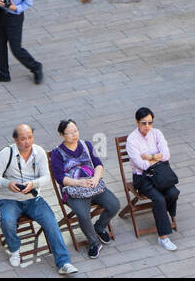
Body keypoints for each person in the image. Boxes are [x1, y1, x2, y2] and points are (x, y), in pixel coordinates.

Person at [0, 123, 78, 274]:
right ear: (15, 140)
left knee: (52, 223)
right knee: (6, 221)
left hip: (33, 198)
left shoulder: (39, 152)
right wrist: (8, 183)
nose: (27, 142)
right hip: (10, 198)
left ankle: (64, 263)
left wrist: (33, 184)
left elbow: (46, 178)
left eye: (30, 137)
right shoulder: (6, 153)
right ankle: (15, 249)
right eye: (23, 139)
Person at [49, 119, 120, 259]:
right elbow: (59, 178)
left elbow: (98, 164)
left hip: (93, 186)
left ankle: (99, 227)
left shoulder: (86, 145)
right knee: (83, 214)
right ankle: (94, 242)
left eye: (75, 131)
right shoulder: (57, 153)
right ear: (62, 135)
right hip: (74, 191)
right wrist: (79, 183)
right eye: (70, 133)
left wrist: (95, 178)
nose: (74, 135)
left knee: (114, 205)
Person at [125, 107, 179, 251]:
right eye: (144, 123)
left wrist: (149, 157)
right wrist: (157, 157)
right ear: (137, 123)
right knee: (159, 200)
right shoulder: (132, 140)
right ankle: (163, 237)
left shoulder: (157, 133)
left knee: (173, 193)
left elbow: (167, 155)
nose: (147, 126)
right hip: (142, 178)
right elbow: (141, 165)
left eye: (150, 122)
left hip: (160, 174)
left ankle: (169, 213)